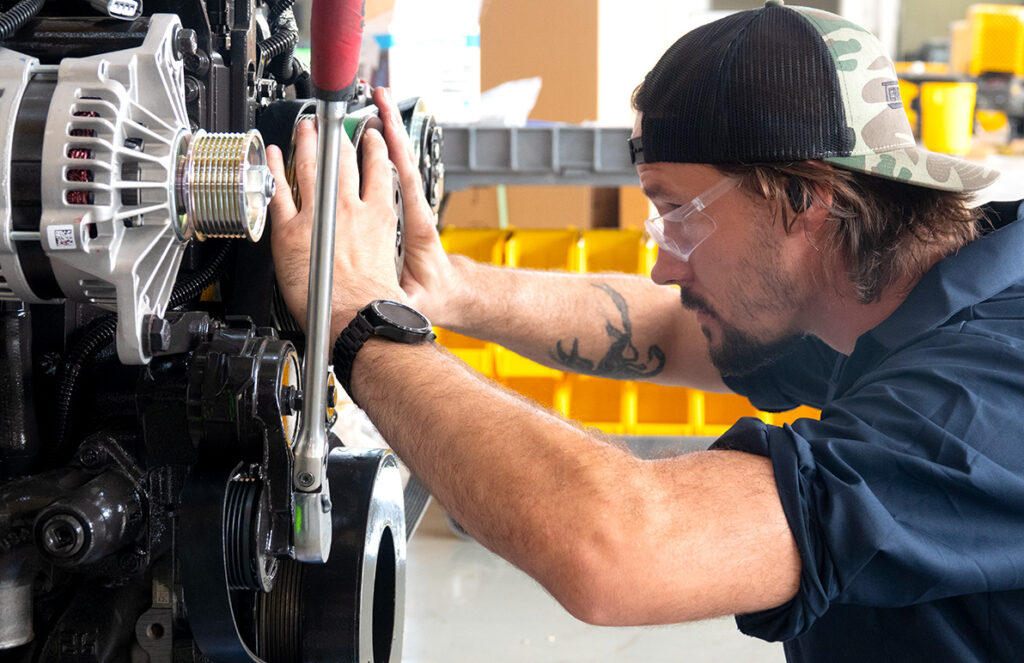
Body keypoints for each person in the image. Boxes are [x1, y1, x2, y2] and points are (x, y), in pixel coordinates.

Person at [266, 2, 1024, 660]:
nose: (663, 264)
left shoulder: (980, 401)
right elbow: (669, 329)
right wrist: (445, 288)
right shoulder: (883, 300)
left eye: (679, 215)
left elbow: (625, 547)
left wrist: (358, 318)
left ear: (804, 200)